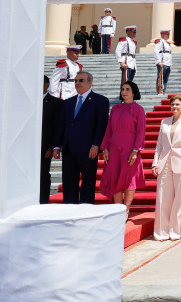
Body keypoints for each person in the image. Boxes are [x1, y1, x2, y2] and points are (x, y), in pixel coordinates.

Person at [52, 71, 110, 204]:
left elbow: (101, 125)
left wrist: (96, 144)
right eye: (76, 81)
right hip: (69, 149)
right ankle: (69, 209)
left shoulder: (100, 101)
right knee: (69, 183)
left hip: (88, 150)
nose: (77, 83)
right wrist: (56, 146)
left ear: (90, 82)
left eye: (81, 80)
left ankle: (86, 210)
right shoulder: (68, 103)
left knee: (88, 182)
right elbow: (61, 125)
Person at [151, 94, 181, 241]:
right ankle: (162, 232)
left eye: (177, 104)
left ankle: (177, 231)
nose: (174, 107)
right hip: (164, 162)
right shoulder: (164, 122)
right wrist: (155, 162)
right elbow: (159, 144)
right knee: (163, 198)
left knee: (180, 198)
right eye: (172, 104)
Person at [99, 81, 147, 218]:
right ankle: (118, 211)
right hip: (114, 148)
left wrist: (136, 150)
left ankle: (126, 210)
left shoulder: (139, 109)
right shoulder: (115, 108)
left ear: (133, 92)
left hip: (130, 148)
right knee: (114, 178)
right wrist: (105, 148)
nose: (124, 92)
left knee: (129, 179)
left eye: (127, 89)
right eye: (122, 89)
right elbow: (109, 129)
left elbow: (141, 132)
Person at [41, 75, 63, 204]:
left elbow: (56, 127)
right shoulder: (27, 102)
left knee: (43, 174)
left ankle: (43, 202)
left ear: (47, 85)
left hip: (45, 148)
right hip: (28, 147)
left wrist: (52, 146)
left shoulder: (56, 103)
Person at [154, 29, 173, 95]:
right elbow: (156, 52)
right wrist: (158, 62)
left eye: (168, 34)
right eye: (166, 34)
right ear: (162, 35)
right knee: (160, 78)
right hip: (162, 63)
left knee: (165, 78)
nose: (168, 35)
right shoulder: (160, 42)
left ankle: (164, 90)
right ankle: (160, 90)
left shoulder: (167, 43)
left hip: (168, 63)